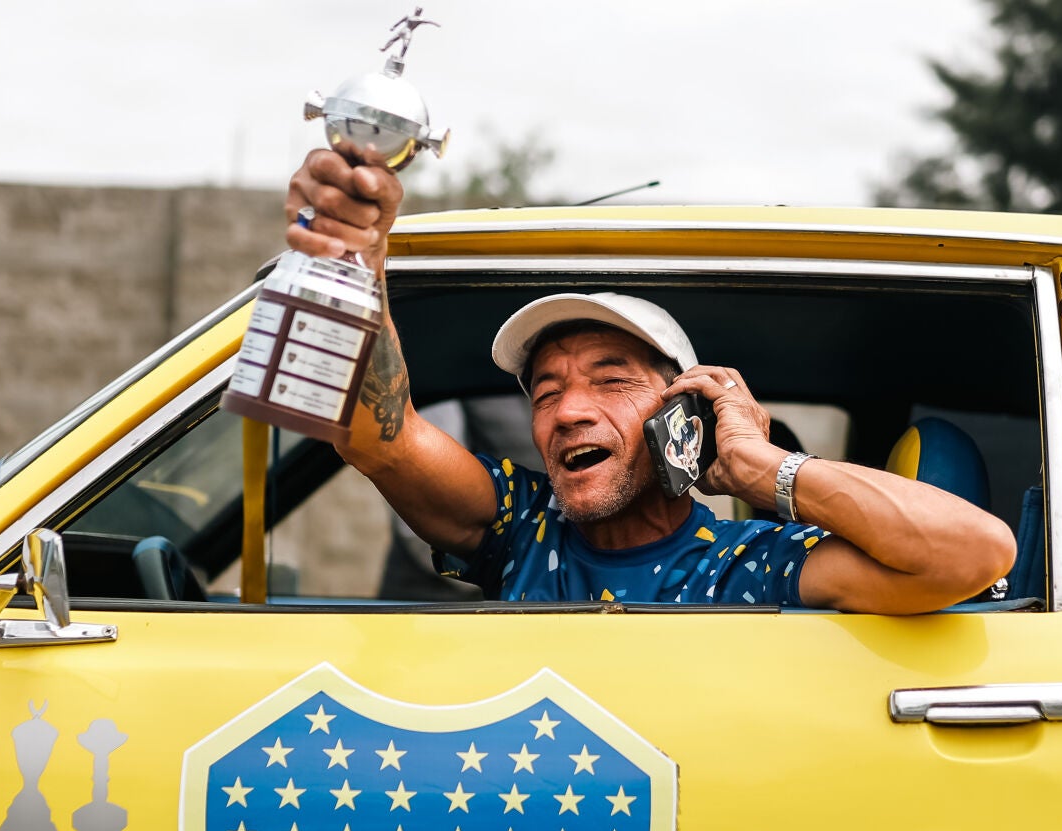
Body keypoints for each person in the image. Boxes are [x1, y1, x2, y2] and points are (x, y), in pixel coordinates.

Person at [284, 150, 1016, 613]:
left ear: (684, 420)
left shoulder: (749, 568)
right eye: (545, 392)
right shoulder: (518, 528)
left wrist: (765, 470)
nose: (568, 410)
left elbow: (976, 552)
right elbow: (376, 435)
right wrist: (350, 260)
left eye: (611, 381)